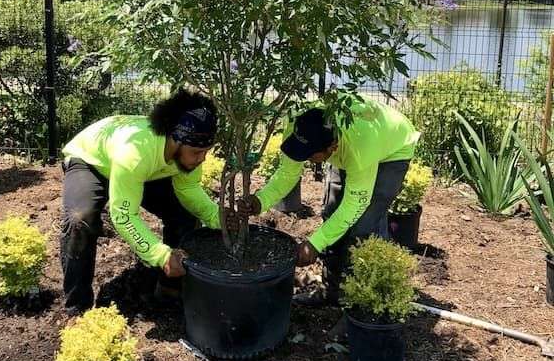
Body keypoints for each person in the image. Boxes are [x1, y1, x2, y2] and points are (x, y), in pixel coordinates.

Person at [59, 89, 230, 315]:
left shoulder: (183, 152)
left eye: (206, 152)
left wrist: (218, 218)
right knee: (80, 220)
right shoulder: (136, 153)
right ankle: (77, 307)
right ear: (175, 140)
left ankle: (169, 290)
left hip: (143, 171)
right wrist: (161, 255)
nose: (202, 159)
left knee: (184, 214)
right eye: (197, 152)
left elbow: (187, 189)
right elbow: (123, 215)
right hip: (92, 161)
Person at [239, 94, 420, 307]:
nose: (304, 158)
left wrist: (315, 243)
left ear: (332, 146)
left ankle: (359, 306)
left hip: (391, 149)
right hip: (349, 145)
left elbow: (355, 205)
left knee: (364, 226)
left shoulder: (361, 146)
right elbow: (288, 172)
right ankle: (330, 290)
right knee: (332, 212)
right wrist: (261, 200)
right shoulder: (301, 122)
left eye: (310, 155)